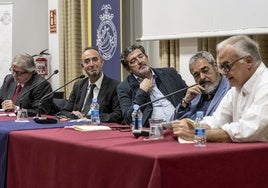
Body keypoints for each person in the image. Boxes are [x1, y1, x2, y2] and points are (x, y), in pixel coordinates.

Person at [173, 35, 268, 142]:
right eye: (222, 67)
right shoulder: (237, 88)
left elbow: (247, 129)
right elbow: (217, 120)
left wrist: (198, 133)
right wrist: (191, 125)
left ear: (249, 61)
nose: (223, 72)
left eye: (227, 66)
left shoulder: (265, 84)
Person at [118, 44, 187, 127]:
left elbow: (187, 95)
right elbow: (129, 118)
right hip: (152, 130)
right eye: (133, 61)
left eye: (141, 56)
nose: (140, 61)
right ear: (129, 69)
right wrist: (142, 92)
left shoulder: (170, 73)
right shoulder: (124, 87)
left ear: (146, 57)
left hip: (180, 125)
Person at [59, 47, 123, 123]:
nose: (91, 64)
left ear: (102, 62)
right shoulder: (78, 85)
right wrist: (72, 114)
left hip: (100, 129)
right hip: (78, 127)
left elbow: (118, 115)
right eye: (87, 61)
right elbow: (64, 111)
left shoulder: (115, 86)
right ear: (83, 66)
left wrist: (89, 117)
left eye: (95, 60)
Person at [173, 51, 230, 120]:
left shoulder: (230, 88)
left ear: (215, 66)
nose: (202, 77)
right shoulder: (195, 95)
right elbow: (173, 122)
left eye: (205, 70)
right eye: (196, 75)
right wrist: (185, 102)